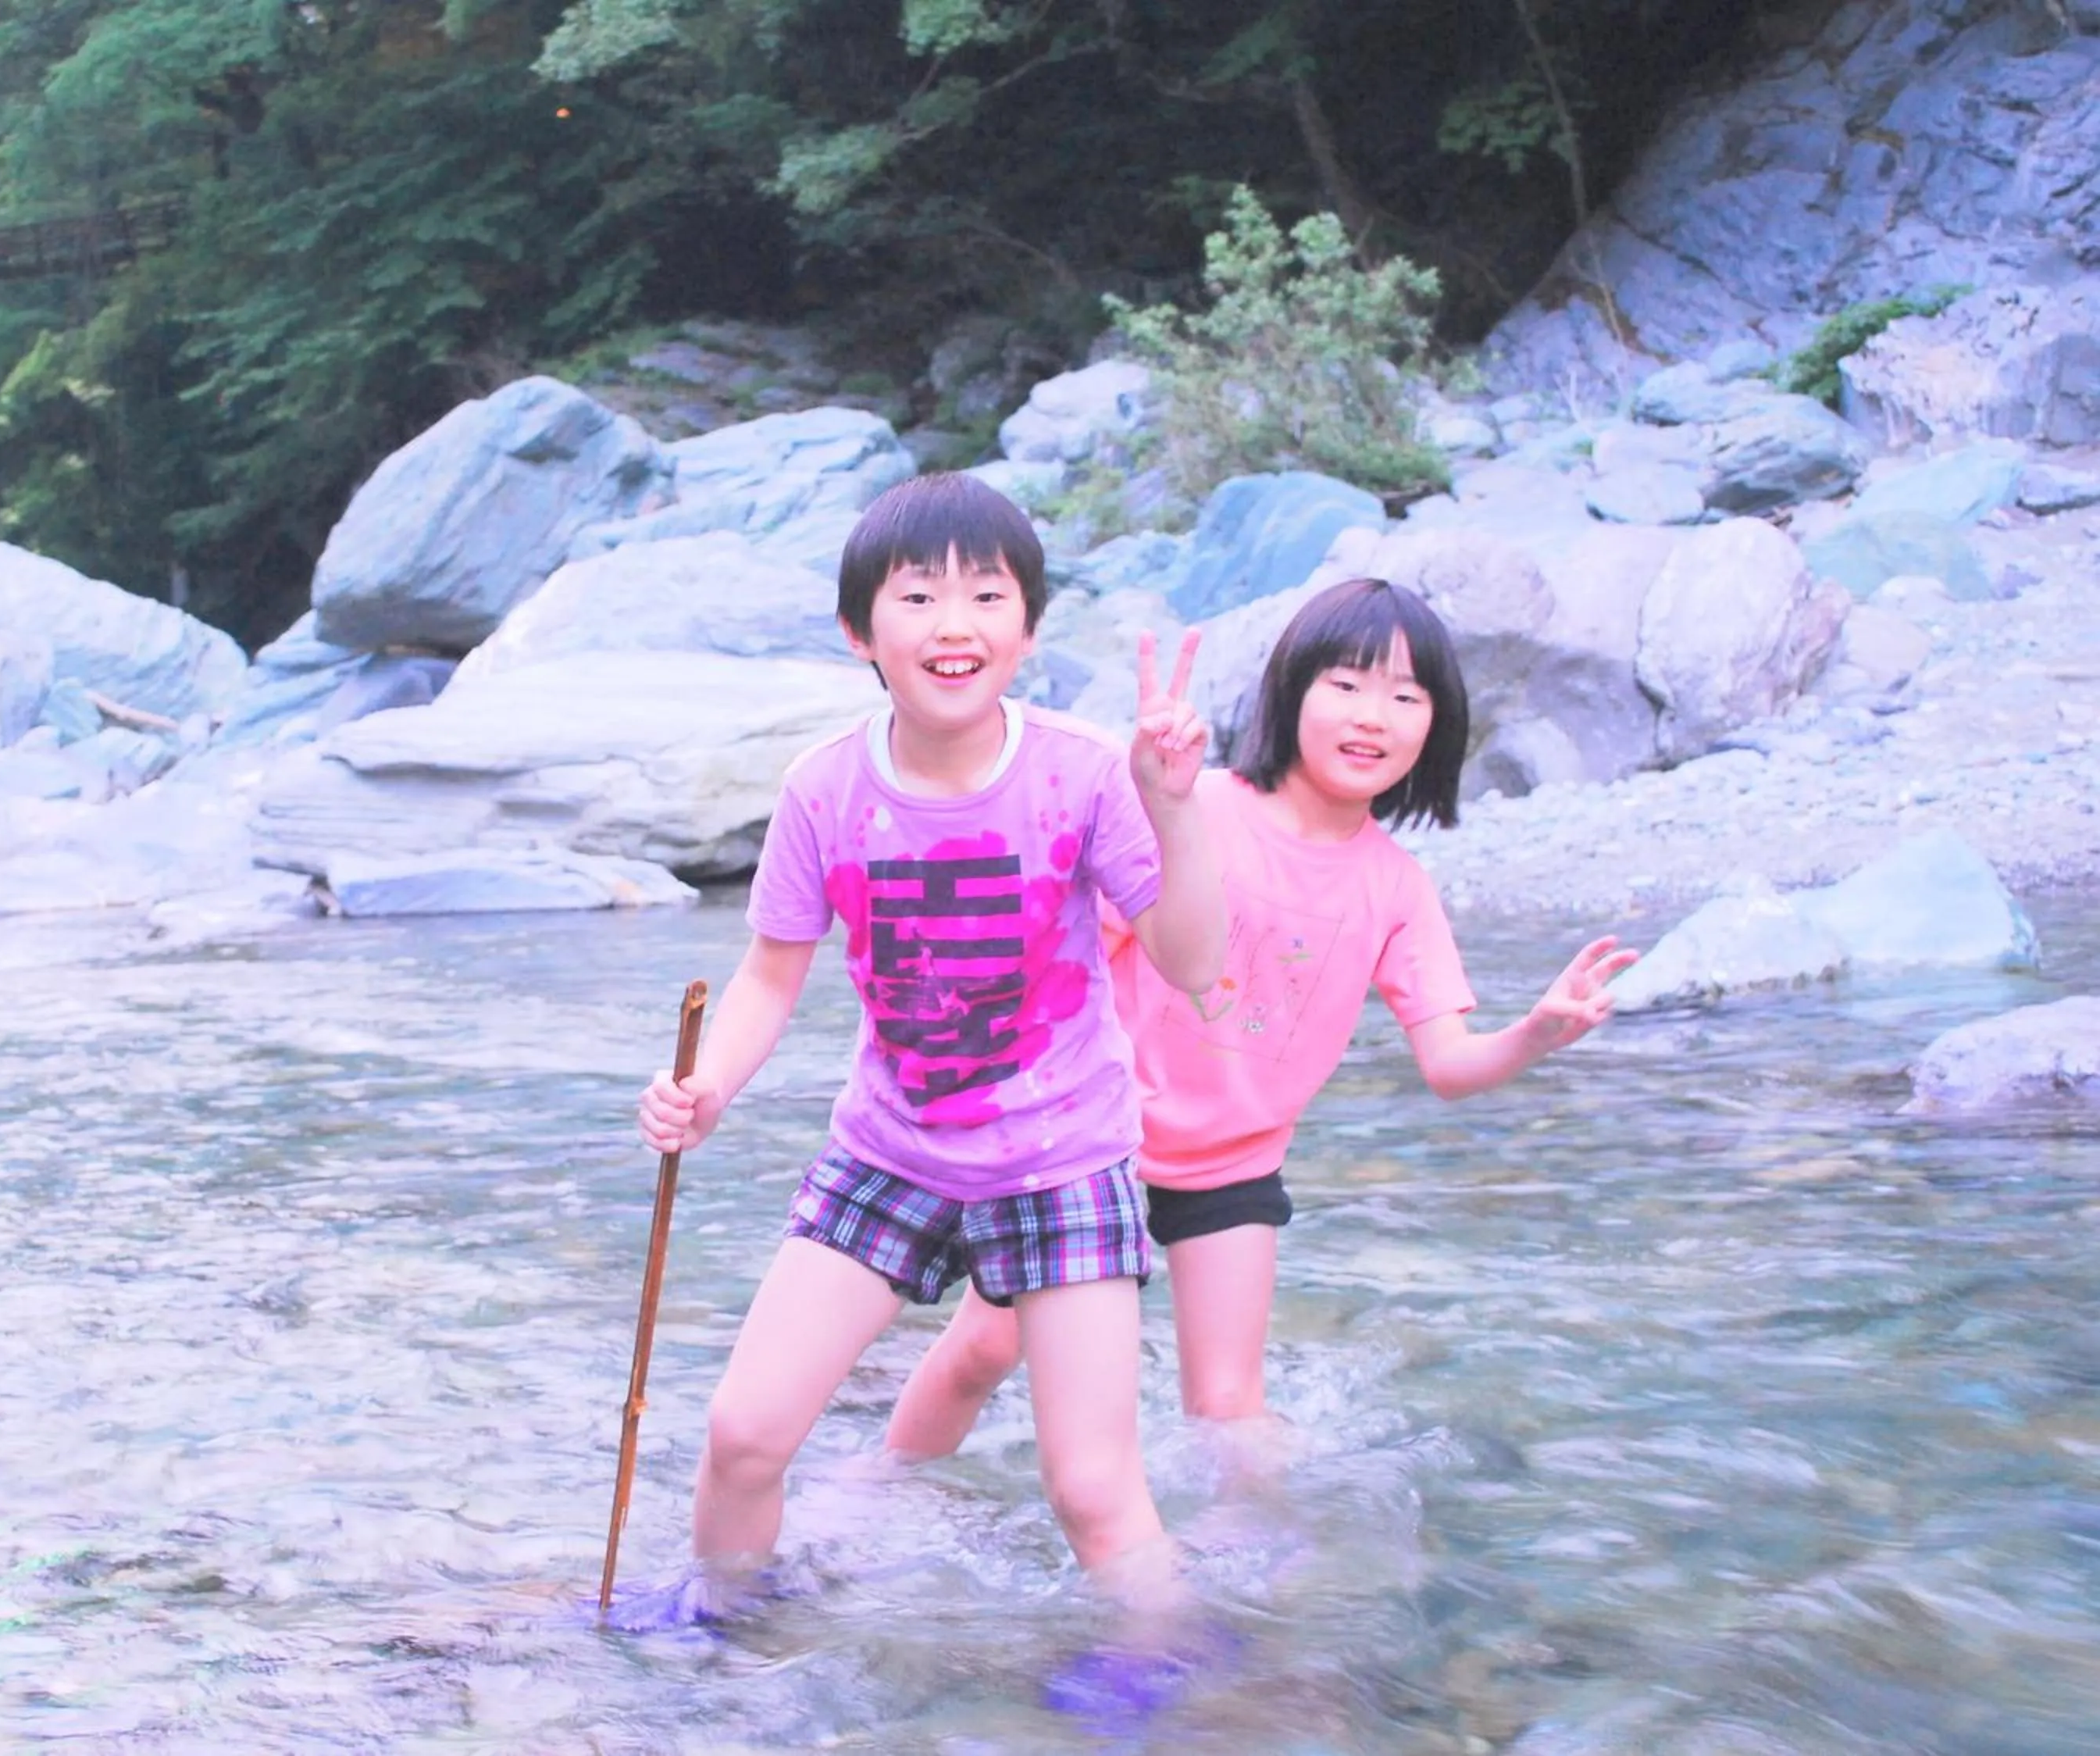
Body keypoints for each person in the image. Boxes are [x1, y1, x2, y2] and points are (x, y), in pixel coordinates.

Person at [633, 472, 1228, 1620]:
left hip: (1065, 1160)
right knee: (745, 1435)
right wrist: (703, 1090)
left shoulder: (1083, 770)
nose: (954, 625)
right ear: (861, 630)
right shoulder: (824, 789)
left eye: (987, 596)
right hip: (889, 1149)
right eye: (918, 597)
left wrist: (1176, 805)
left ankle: (1177, 1682)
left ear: (1029, 626)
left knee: (1093, 1488)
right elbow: (769, 975)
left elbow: (1195, 964)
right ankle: (724, 1642)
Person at [884, 576, 1639, 1462]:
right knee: (984, 1347)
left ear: (1436, 726)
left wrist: (1536, 1034)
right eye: (1348, 685)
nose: (1374, 716)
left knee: (1231, 1405)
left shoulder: (1396, 886)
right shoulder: (1195, 807)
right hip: (1093, 1143)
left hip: (1233, 1165)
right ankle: (886, 1482)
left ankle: (1257, 1581)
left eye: (1407, 696)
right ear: (1292, 691)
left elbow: (1447, 1062)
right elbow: (1061, 957)